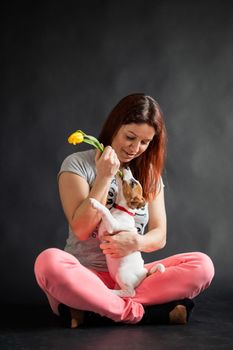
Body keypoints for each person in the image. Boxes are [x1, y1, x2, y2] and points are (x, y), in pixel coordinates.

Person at [34, 93, 215, 327]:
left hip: (133, 276)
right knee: (47, 263)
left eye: (144, 142)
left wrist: (135, 243)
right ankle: (146, 313)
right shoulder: (77, 164)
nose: (135, 148)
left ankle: (95, 309)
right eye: (130, 137)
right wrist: (104, 176)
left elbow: (159, 236)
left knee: (202, 265)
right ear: (115, 126)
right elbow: (81, 229)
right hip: (85, 276)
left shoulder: (148, 174)